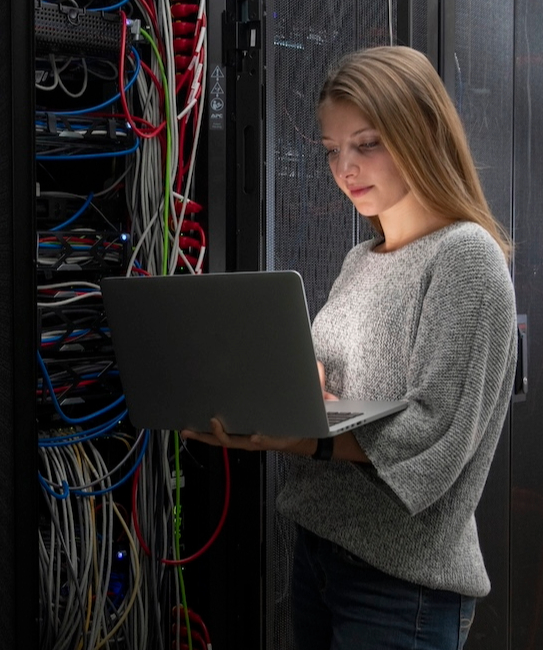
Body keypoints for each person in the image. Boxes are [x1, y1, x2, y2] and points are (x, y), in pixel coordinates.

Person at [180, 45, 518, 650]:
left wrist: (298, 436)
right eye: (333, 150)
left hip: (402, 583)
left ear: (424, 133)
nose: (345, 168)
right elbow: (324, 380)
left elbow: (434, 434)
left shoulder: (466, 257)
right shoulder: (360, 260)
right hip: (321, 553)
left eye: (366, 144)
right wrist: (287, 380)